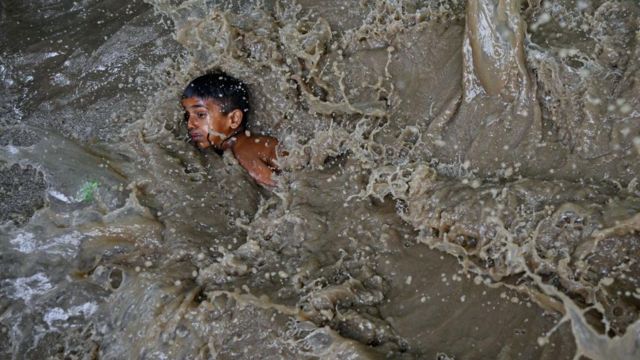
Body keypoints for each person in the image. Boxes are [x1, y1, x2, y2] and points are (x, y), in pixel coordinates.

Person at [181, 72, 280, 187]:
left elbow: (279, 190)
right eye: (187, 116)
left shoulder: (243, 152)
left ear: (233, 119)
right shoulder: (242, 146)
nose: (190, 125)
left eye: (201, 115)